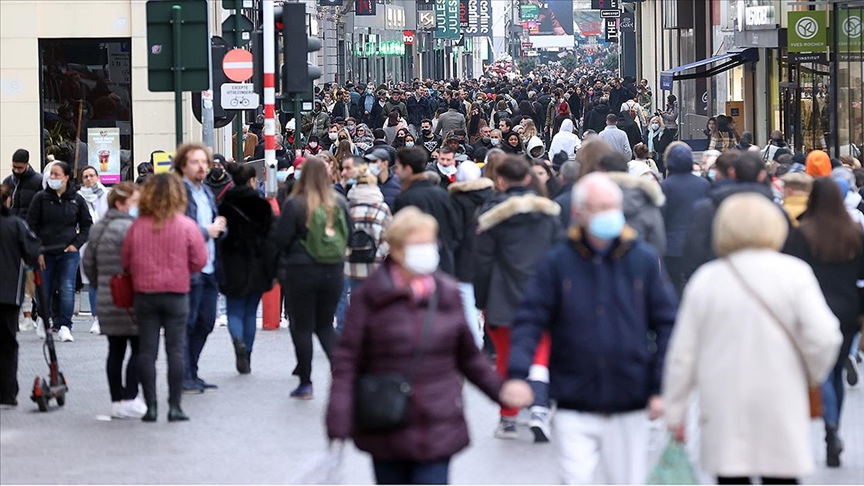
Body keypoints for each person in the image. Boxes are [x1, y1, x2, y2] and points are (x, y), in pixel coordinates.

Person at [325, 207, 533, 485]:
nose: (427, 250)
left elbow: (469, 357)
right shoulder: (371, 297)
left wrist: (501, 391)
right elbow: (348, 360)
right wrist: (338, 414)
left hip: (437, 422)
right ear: (397, 249)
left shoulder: (447, 294)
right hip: (387, 420)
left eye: (430, 243)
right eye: (418, 244)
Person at [508, 172, 677, 484]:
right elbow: (531, 318)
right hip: (574, 398)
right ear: (580, 212)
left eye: (612, 205)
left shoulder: (642, 260)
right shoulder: (558, 261)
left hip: (629, 400)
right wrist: (518, 373)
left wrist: (660, 387)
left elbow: (667, 324)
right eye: (598, 206)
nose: (607, 213)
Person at [664, 193, 842, 484]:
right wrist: (810, 374)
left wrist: (675, 411)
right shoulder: (795, 275)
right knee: (781, 476)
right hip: (781, 395)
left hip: (723, 401)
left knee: (732, 476)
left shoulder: (707, 280)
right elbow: (825, 336)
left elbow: (682, 354)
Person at [474, 156, 562, 441]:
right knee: (540, 353)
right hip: (541, 292)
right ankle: (538, 408)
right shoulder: (549, 214)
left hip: (502, 293)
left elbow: (483, 261)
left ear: (500, 181)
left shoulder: (491, 216)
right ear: (527, 179)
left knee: (504, 356)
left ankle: (508, 417)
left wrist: (481, 298)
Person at [784, 178, 864, 468]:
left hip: (812, 312)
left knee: (822, 372)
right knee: (836, 371)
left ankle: (830, 427)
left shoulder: (803, 233)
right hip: (846, 313)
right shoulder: (854, 232)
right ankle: (835, 428)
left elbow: (791, 274)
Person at [122, 174, 208, 422]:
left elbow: (125, 261)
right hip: (177, 294)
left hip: (145, 295)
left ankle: (151, 406)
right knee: (176, 351)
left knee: (147, 353)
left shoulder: (137, 226)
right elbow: (199, 260)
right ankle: (174, 406)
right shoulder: (186, 225)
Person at [272, 157, 352, 399]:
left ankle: (306, 382)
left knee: (302, 327)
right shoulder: (339, 201)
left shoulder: (296, 203)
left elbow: (281, 240)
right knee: (325, 325)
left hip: (301, 270)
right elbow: (348, 235)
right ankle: (344, 374)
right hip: (333, 270)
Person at [82, 182, 146, 418]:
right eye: (134, 202)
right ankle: (130, 397)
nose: (136, 206)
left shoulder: (98, 228)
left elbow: (87, 262)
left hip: (108, 298)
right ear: (121, 203)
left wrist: (101, 284)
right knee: (140, 348)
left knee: (115, 350)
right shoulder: (132, 228)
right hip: (131, 297)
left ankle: (116, 400)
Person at [173, 143, 226, 393]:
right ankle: (183, 375)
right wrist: (208, 230)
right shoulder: (178, 192)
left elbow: (211, 226)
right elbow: (176, 229)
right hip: (188, 269)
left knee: (206, 322)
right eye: (196, 162)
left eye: (204, 161)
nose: (202, 166)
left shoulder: (204, 191)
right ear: (183, 164)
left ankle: (192, 371)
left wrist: (220, 226)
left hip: (209, 267)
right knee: (188, 323)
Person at [218, 163, 276, 375]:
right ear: (252, 180)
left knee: (234, 310)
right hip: (257, 263)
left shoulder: (225, 204)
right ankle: (248, 354)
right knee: (250, 312)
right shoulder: (262, 205)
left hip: (232, 262)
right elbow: (271, 237)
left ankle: (237, 344)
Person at [26, 161, 93, 343]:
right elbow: (31, 226)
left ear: (66, 177)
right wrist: (37, 249)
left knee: (67, 288)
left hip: (68, 252)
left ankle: (65, 326)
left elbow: (87, 225)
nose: (52, 178)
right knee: (44, 289)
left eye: (56, 174)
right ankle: (42, 318)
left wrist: (76, 244)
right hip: (45, 251)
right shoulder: (40, 198)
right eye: (51, 174)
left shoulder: (76, 199)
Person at [0, 183, 41, 407]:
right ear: (8, 201)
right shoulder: (15, 224)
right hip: (7, 293)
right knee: (7, 344)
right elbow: (33, 250)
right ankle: (7, 393)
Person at [339, 164, 392, 333]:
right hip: (373, 263)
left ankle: (344, 331)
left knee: (350, 298)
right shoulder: (381, 208)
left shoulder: (348, 207)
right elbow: (390, 237)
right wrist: (379, 252)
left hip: (350, 262)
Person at [447, 161, 494, 349]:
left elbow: (454, 234)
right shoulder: (491, 197)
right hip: (488, 260)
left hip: (464, 262)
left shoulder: (455, 201)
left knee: (468, 310)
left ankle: (472, 350)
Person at [393, 147, 461, 276]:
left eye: (398, 167)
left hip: (415, 269)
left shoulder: (404, 198)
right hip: (444, 263)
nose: (395, 171)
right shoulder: (443, 194)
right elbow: (456, 230)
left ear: (407, 169)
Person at [660, 143, 711, 296]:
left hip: (671, 245)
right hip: (697, 244)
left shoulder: (666, 186)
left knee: (673, 286)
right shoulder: (703, 184)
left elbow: (662, 215)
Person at [77, 165, 110, 334]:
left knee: (105, 279)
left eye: (91, 175)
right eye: (85, 176)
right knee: (90, 281)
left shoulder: (106, 195)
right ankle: (96, 317)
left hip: (104, 241)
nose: (89, 179)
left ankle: (106, 316)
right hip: (86, 242)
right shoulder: (79, 197)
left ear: (97, 177)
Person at [4, 149, 42, 217]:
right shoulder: (7, 181)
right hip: (11, 223)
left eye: (20, 168)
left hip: (29, 224)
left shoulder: (39, 180)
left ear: (27, 164)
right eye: (14, 167)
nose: (16, 170)